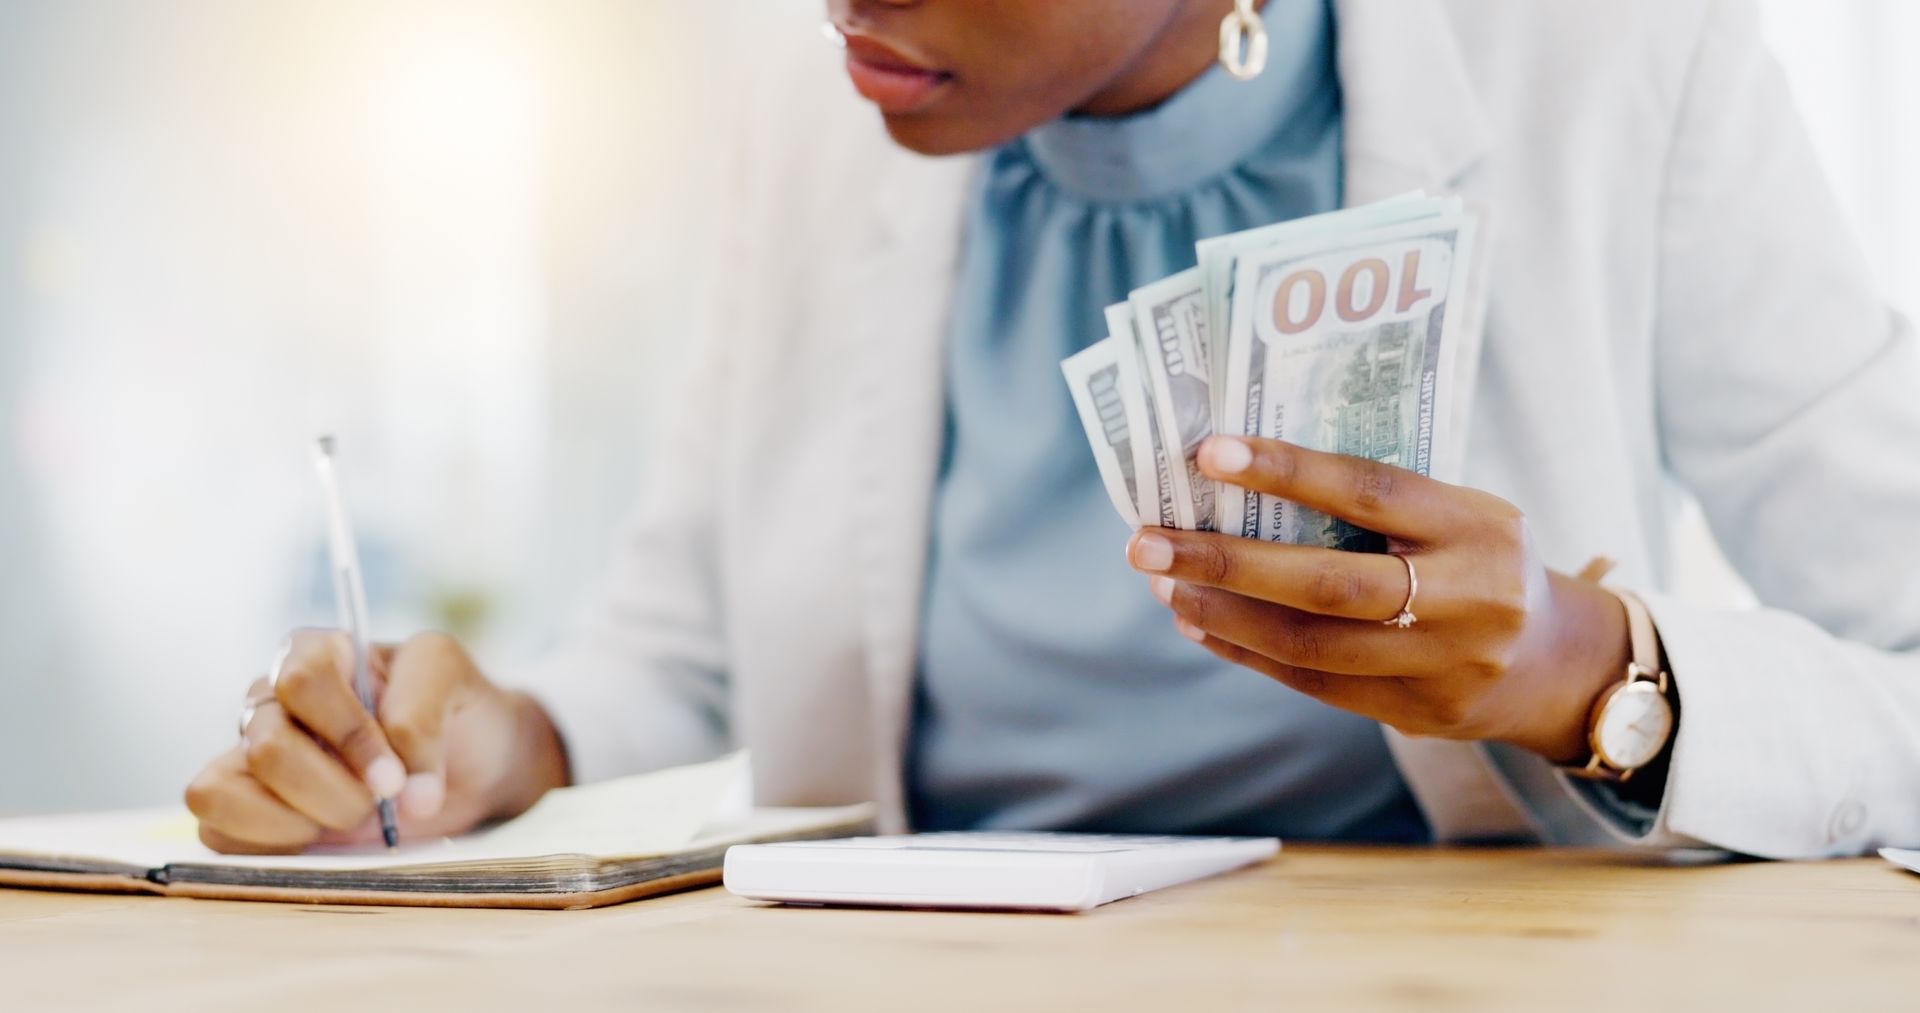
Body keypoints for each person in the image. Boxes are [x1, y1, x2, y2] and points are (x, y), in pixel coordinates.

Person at [186, 0, 1920, 859]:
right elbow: (687, 650)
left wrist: (1591, 672)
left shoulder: (1622, 56)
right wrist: (510, 737)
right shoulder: (813, 115)